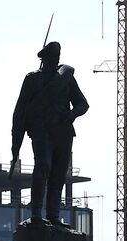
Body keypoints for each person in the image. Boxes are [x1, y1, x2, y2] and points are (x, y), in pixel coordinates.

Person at [12, 41, 89, 225]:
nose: (56, 59)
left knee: (59, 175)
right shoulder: (32, 80)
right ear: (43, 58)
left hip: (63, 132)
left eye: (58, 56)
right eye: (52, 56)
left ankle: (53, 216)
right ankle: (36, 213)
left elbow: (83, 104)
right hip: (41, 132)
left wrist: (72, 114)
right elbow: (19, 111)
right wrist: (15, 145)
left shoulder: (66, 77)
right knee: (42, 167)